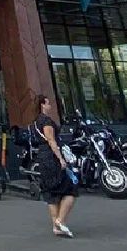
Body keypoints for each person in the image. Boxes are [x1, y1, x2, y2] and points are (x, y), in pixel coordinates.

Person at [32, 94, 78, 237]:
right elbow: (51, 140)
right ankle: (60, 221)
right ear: (42, 105)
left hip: (42, 158)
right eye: (47, 103)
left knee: (52, 193)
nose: (50, 106)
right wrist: (61, 159)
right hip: (51, 158)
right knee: (70, 190)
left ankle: (56, 226)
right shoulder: (46, 121)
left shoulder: (35, 122)